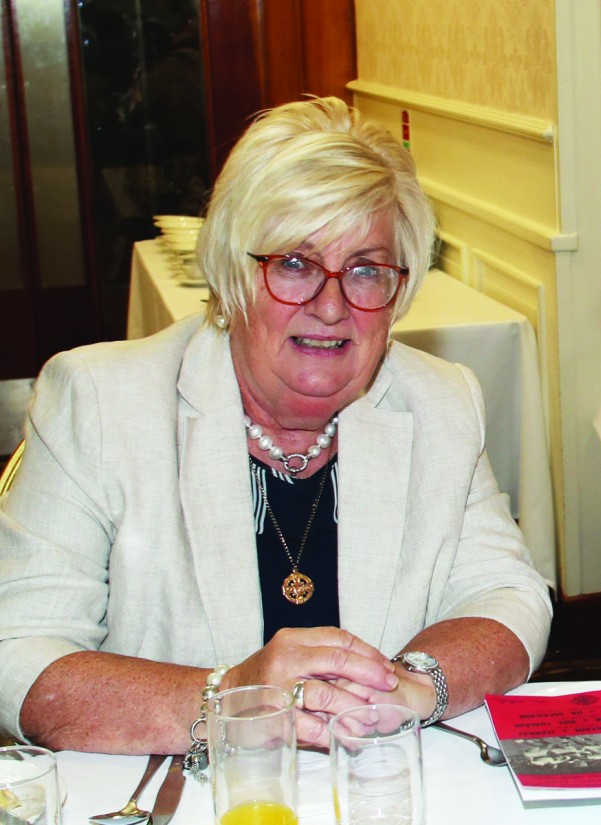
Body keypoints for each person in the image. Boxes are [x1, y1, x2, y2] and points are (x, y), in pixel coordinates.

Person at [0, 97, 552, 753]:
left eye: (366, 270)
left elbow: (506, 594)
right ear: (233, 274)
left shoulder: (441, 401)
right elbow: (19, 653)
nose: (331, 305)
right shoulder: (100, 402)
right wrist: (230, 699)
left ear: (399, 292)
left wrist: (410, 684)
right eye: (294, 263)